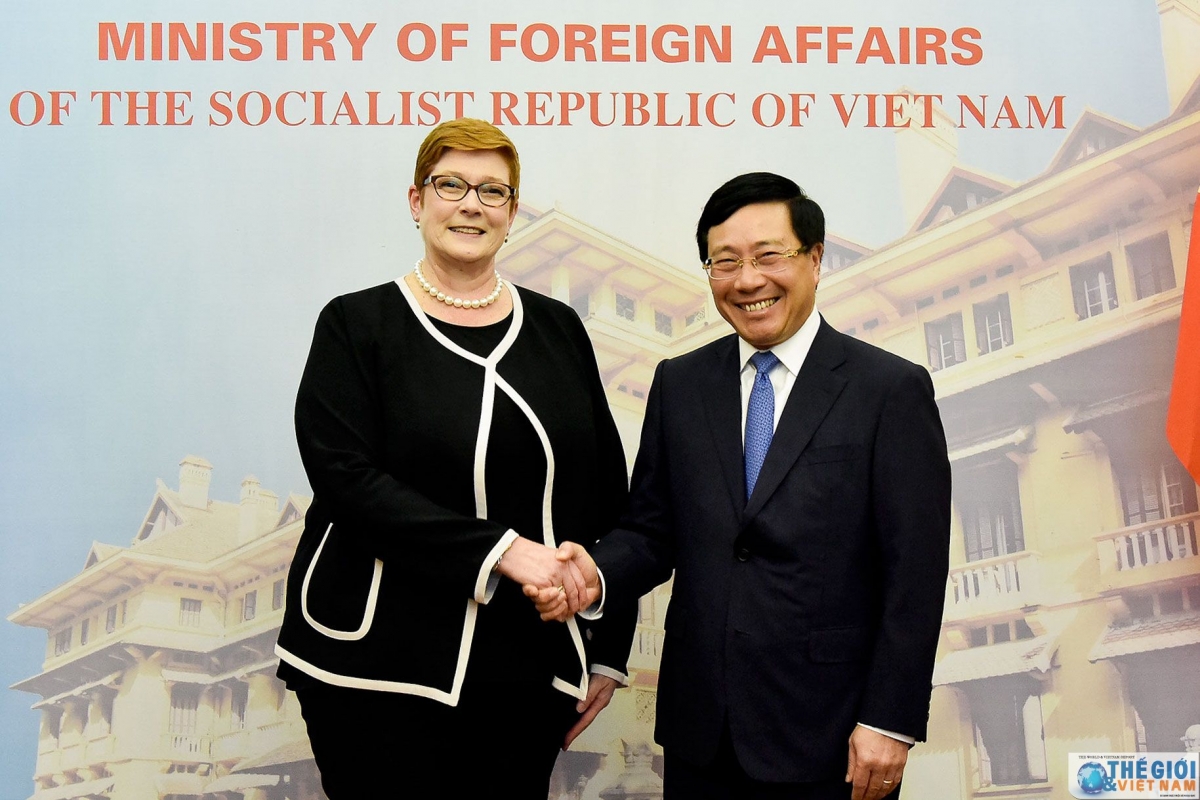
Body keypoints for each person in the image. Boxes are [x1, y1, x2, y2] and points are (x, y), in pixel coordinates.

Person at [532, 172, 951, 799]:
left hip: (832, 734)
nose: (748, 281)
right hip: (701, 730)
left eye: (768, 256)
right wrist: (593, 573)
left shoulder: (889, 389)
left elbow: (915, 570)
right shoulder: (679, 384)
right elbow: (651, 531)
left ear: (815, 258)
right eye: (725, 262)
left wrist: (889, 718)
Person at [274, 118, 634, 798]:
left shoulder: (559, 329)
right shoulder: (356, 323)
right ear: (417, 202)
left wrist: (609, 647)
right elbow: (347, 481)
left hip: (526, 667)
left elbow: (607, 498)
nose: (472, 204)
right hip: (374, 668)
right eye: (451, 185)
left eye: (493, 191)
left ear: (511, 213)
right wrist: (505, 552)